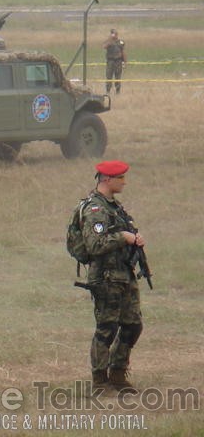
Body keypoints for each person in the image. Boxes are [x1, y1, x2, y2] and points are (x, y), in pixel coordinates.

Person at [79, 160, 145, 393]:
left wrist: (134, 239)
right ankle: (100, 380)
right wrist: (123, 237)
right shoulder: (95, 209)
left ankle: (118, 374)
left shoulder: (113, 207)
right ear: (107, 179)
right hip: (106, 277)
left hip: (123, 274)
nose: (124, 182)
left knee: (133, 325)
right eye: (120, 178)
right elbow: (95, 245)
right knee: (107, 328)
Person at [103, 28, 126, 94]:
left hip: (118, 62)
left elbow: (123, 52)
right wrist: (110, 39)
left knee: (118, 77)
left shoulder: (121, 42)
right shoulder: (108, 41)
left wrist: (124, 62)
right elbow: (104, 46)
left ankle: (118, 91)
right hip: (110, 61)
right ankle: (108, 91)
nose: (115, 35)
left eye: (116, 34)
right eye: (114, 34)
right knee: (109, 77)